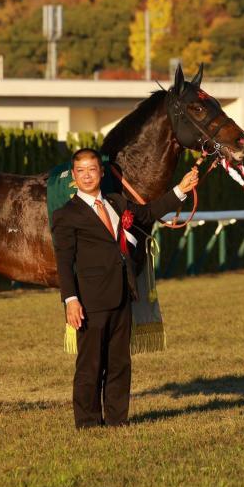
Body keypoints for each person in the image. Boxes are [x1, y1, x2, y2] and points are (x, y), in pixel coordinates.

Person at [52, 148, 199, 429]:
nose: (87, 176)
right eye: (81, 171)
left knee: (120, 362)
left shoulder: (117, 202)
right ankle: (88, 421)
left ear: (101, 172)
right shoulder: (66, 215)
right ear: (73, 176)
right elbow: (64, 262)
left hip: (123, 293)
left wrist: (180, 190)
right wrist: (71, 300)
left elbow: (148, 213)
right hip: (90, 301)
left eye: (92, 169)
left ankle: (117, 419)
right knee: (91, 364)